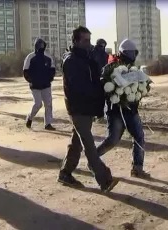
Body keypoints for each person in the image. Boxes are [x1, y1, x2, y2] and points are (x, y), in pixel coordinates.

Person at [58, 26, 118, 192]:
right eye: (85, 40)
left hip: (86, 108)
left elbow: (95, 77)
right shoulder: (71, 61)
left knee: (76, 142)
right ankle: (104, 180)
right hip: (78, 109)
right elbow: (80, 87)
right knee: (89, 146)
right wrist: (99, 90)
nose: (88, 44)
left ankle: (65, 173)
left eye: (89, 40)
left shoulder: (86, 58)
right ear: (75, 41)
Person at [96, 39, 150, 178]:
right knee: (113, 140)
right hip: (115, 112)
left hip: (131, 110)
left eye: (134, 53)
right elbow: (104, 87)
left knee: (139, 137)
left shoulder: (134, 69)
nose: (132, 55)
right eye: (130, 53)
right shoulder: (110, 68)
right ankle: (93, 158)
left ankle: (137, 168)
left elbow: (140, 86)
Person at [23, 38, 56, 131]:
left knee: (48, 104)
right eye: (39, 45)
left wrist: (50, 79)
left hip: (46, 85)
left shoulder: (48, 57)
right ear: (36, 46)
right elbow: (25, 71)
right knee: (38, 104)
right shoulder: (30, 57)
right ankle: (29, 118)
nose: (41, 47)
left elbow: (53, 70)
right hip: (35, 85)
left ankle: (48, 124)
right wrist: (30, 81)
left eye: (43, 45)